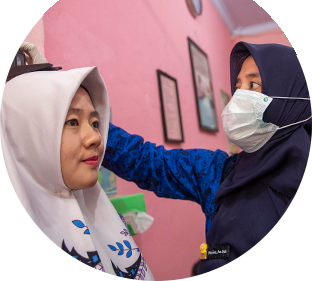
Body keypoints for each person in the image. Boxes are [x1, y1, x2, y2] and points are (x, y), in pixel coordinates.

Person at [102, 42, 312, 280]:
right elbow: (145, 161)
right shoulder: (218, 173)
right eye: (238, 87)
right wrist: (89, 123)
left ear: (297, 100)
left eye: (254, 85)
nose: (239, 98)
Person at [0, 66, 155, 280]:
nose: (96, 138)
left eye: (95, 124)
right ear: (27, 137)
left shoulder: (103, 221)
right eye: (72, 121)